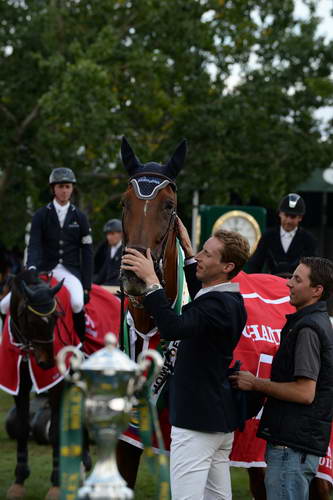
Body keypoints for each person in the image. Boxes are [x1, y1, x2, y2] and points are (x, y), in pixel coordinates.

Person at [121, 218, 250, 500]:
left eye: (208, 254)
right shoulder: (226, 300)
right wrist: (190, 254)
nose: (201, 257)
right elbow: (203, 300)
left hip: (196, 424)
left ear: (227, 267)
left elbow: (174, 327)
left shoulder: (218, 306)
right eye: (202, 251)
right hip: (214, 421)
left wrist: (151, 282)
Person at [230, 256, 333, 500]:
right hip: (294, 444)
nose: (288, 284)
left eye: (297, 279)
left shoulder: (308, 329)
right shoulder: (310, 322)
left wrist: (255, 383)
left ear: (317, 290)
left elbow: (305, 392)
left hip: (291, 447)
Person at [0, 167, 93, 342]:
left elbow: (87, 252)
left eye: (67, 186)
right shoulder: (40, 215)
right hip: (43, 269)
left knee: (77, 303)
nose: (64, 191)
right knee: (4, 305)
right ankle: (12, 342)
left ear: (72, 189)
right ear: (53, 189)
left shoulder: (80, 217)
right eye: (60, 187)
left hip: (69, 271)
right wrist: (33, 267)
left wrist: (87, 284)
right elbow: (34, 245)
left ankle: (81, 344)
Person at [247, 193, 317, 275]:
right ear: (280, 213)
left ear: (300, 217)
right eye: (286, 215)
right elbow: (256, 263)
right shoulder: (268, 236)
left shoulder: (308, 239)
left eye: (293, 217)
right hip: (272, 283)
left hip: (297, 285)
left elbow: (312, 267)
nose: (288, 221)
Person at [94, 219, 123, 286]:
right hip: (108, 285)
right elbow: (103, 272)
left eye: (112, 234)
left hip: (118, 288)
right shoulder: (110, 249)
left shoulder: (126, 250)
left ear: (121, 234)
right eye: (108, 234)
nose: (109, 237)